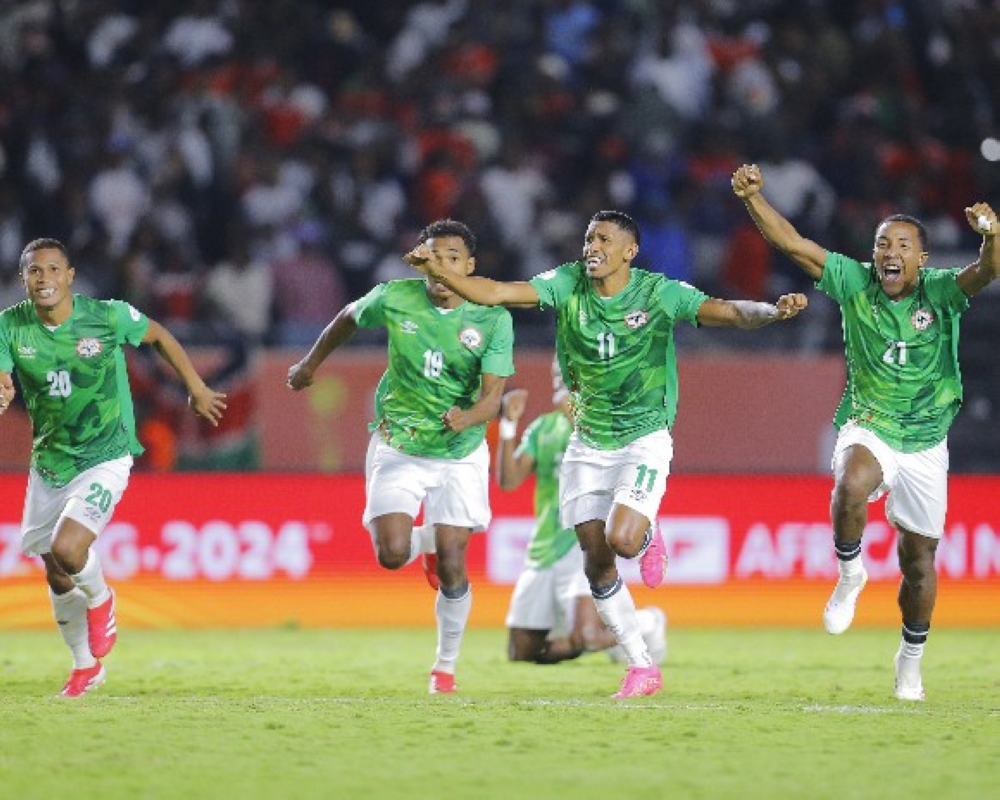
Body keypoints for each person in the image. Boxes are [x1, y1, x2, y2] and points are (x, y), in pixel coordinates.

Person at [405, 209, 808, 697]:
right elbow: (497, 292)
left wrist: (772, 311)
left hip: (643, 437)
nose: (592, 246)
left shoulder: (658, 292)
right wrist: (436, 269)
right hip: (587, 444)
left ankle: (644, 529)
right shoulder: (566, 283)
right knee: (597, 562)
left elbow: (724, 311)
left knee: (621, 539)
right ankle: (642, 667)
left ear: (629, 252)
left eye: (604, 239)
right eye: (589, 237)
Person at [731, 163, 999, 701]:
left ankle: (910, 661)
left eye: (902, 245)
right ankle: (850, 573)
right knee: (852, 482)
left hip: (925, 439)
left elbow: (987, 271)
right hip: (870, 422)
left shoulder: (942, 293)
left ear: (921, 259)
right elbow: (794, 245)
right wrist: (753, 199)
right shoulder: (854, 281)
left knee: (918, 564)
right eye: (882, 244)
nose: (890, 253)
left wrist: (993, 236)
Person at [287, 219, 514, 695]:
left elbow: (494, 398)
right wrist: (310, 364)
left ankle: (444, 668)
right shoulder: (395, 296)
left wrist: (470, 416)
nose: (441, 265)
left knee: (454, 562)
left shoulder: (492, 316)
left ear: (469, 266)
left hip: (459, 451)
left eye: (453, 257)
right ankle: (428, 541)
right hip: (400, 445)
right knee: (391, 554)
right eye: (433, 255)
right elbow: (347, 317)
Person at [0, 238, 227, 698]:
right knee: (55, 569)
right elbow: (1, 376)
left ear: (70, 276)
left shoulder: (107, 316)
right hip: (49, 462)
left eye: (52, 270)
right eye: (34, 272)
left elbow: (160, 336)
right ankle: (85, 667)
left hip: (105, 454)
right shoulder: (10, 326)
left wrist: (196, 387)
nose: (43, 280)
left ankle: (102, 600)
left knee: (68, 548)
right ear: (23, 279)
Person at [497, 365, 666, 666]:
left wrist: (575, 408)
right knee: (522, 653)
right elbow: (508, 481)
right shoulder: (543, 429)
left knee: (586, 637)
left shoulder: (609, 425)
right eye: (556, 376)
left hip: (581, 543)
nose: (560, 382)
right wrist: (508, 424)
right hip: (544, 549)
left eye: (567, 373)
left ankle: (647, 624)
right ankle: (612, 627)